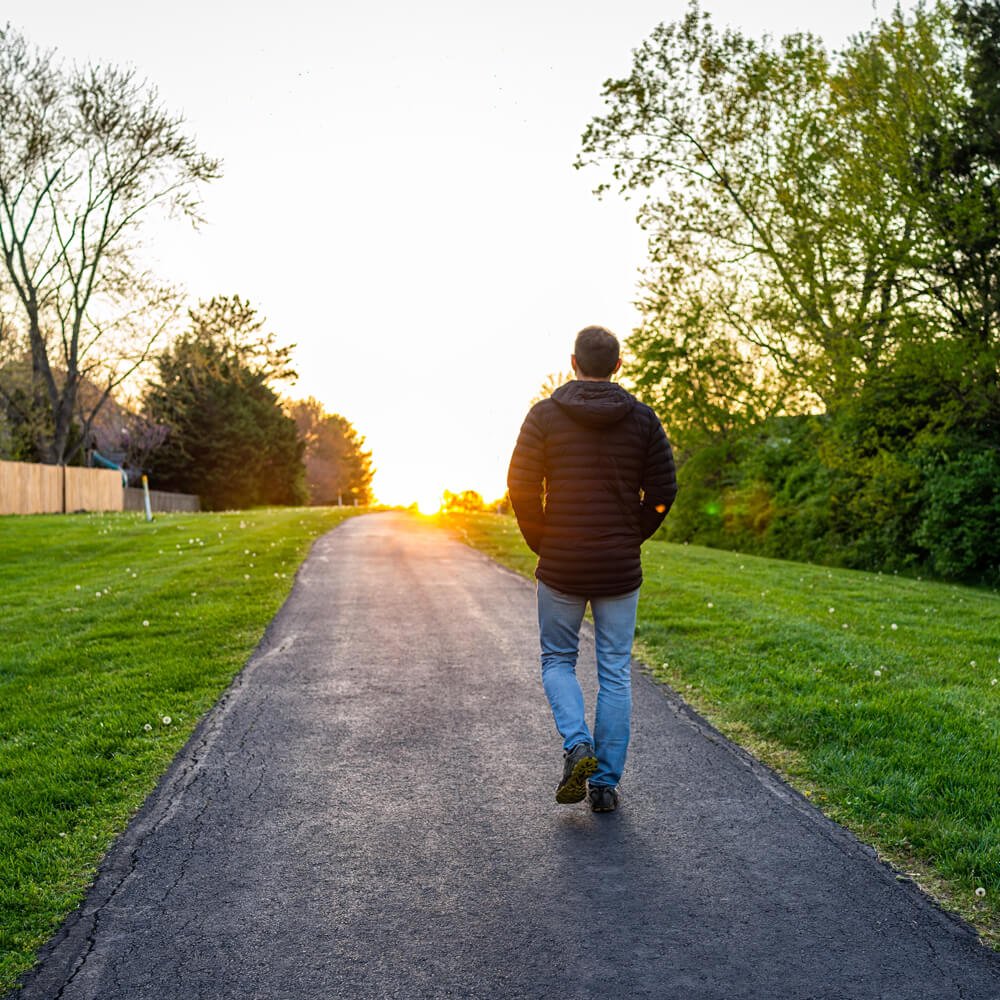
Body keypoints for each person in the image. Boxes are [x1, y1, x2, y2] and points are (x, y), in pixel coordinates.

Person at [507, 326, 677, 812]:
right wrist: (632, 534)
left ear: (573, 363)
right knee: (615, 671)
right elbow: (663, 493)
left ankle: (576, 743)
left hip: (561, 561)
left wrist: (542, 539)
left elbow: (520, 486)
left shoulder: (544, 415)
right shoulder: (643, 419)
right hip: (618, 568)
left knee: (558, 659)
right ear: (618, 366)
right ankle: (603, 785)